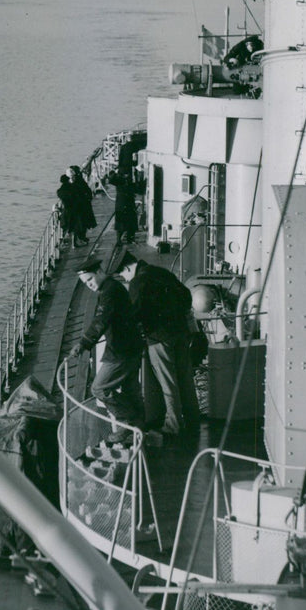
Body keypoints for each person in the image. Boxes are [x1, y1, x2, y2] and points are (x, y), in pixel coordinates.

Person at [117, 250, 200, 438]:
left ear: (129, 268)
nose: (125, 278)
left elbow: (134, 312)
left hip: (158, 338)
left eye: (123, 274)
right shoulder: (161, 272)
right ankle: (193, 421)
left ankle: (174, 425)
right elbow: (186, 295)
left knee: (168, 383)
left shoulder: (138, 282)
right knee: (186, 379)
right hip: (180, 332)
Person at [69, 256, 145, 444]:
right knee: (130, 389)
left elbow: (101, 320)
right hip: (131, 346)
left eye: (89, 280)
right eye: (85, 283)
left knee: (99, 387)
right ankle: (140, 427)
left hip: (121, 350)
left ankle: (127, 421)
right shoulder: (113, 288)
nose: (89, 285)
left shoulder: (109, 292)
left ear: (100, 272)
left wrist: (84, 343)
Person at [107, 169, 138, 247]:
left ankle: (130, 238)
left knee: (131, 221)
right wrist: (115, 172)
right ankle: (118, 240)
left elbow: (136, 189)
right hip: (121, 204)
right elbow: (110, 180)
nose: (127, 176)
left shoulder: (130, 182)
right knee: (120, 223)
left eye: (127, 174)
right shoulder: (119, 181)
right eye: (125, 174)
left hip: (129, 204)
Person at [68, 165, 96, 246]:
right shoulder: (80, 182)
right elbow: (87, 191)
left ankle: (76, 241)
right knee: (82, 223)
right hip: (82, 206)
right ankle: (81, 238)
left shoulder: (70, 184)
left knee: (76, 224)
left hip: (75, 206)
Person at [56, 174, 78, 246]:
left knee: (65, 226)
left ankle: (63, 242)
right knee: (74, 226)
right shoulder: (72, 188)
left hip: (65, 210)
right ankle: (74, 243)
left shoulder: (60, 191)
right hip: (73, 209)